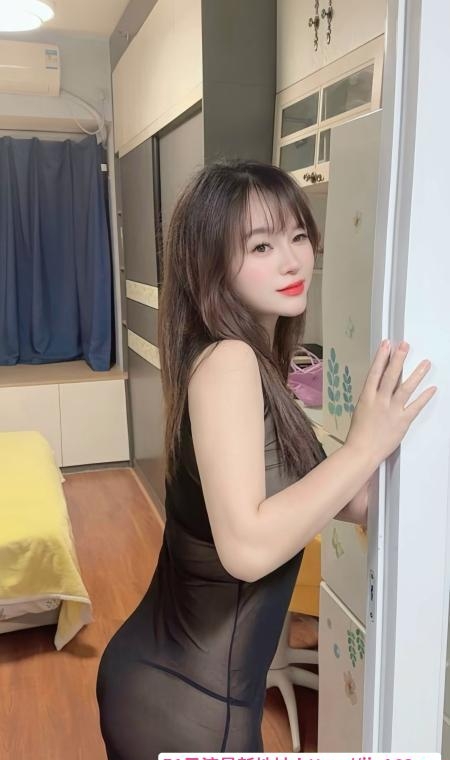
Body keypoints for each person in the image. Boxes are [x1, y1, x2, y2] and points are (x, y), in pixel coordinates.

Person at [96, 159, 436, 759]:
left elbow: (352, 501)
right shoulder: (228, 361)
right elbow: (247, 550)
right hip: (184, 702)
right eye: (261, 245)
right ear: (210, 264)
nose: (292, 260)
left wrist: (393, 441)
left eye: (298, 236)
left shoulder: (257, 363)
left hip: (188, 687)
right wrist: (363, 444)